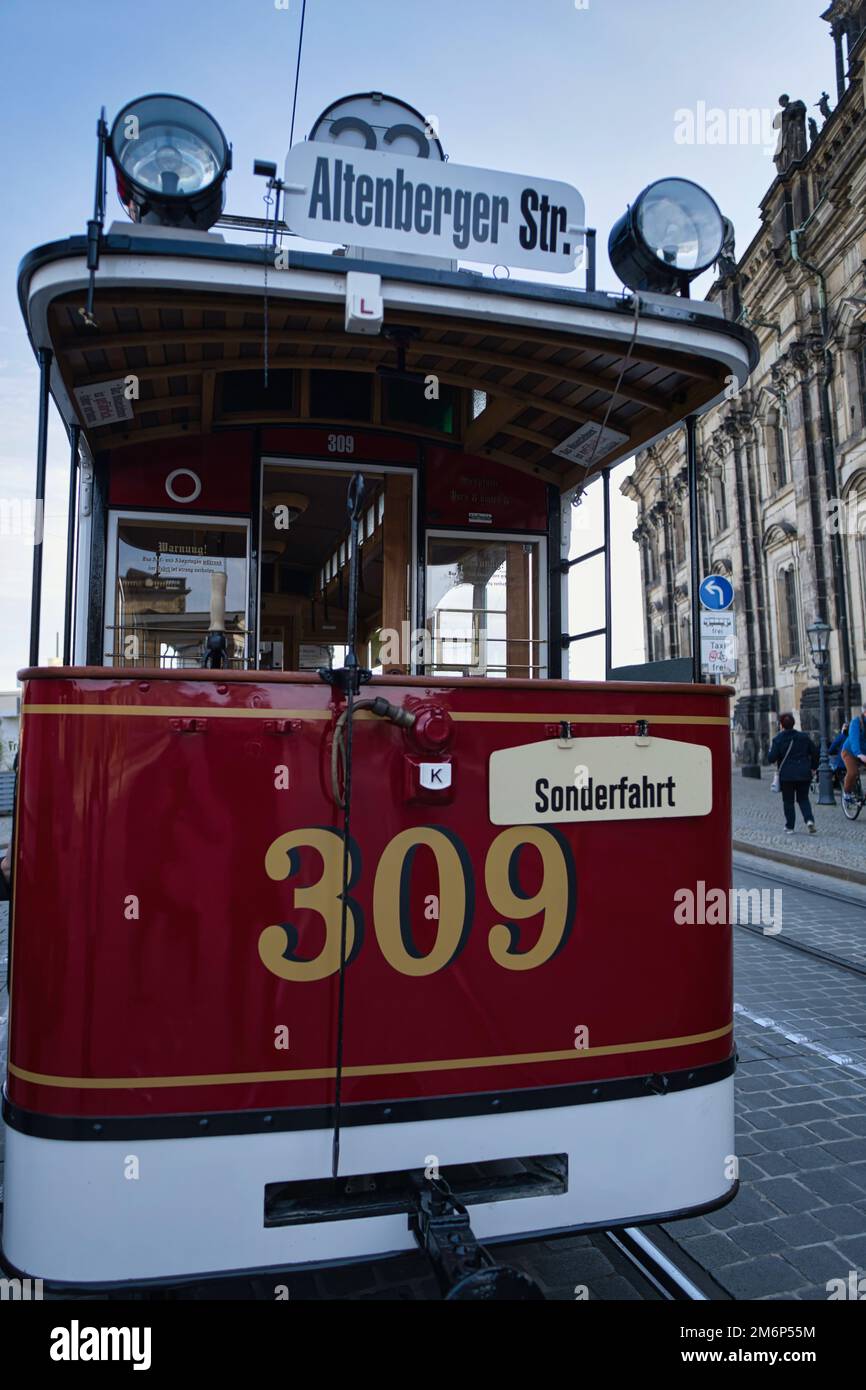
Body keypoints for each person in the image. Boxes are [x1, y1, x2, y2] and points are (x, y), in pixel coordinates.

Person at [768, 713, 819, 834]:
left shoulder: (778, 739)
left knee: (788, 801)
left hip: (787, 775)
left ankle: (790, 827)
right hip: (803, 773)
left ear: (781, 725)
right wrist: (813, 768)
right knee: (803, 799)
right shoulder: (803, 737)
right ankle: (809, 820)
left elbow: (771, 758)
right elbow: (815, 753)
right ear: (794, 723)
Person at [841, 705, 866, 807]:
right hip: (850, 751)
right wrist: (859, 754)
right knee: (853, 772)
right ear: (865, 712)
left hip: (864, 753)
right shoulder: (856, 722)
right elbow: (853, 739)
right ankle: (846, 794)